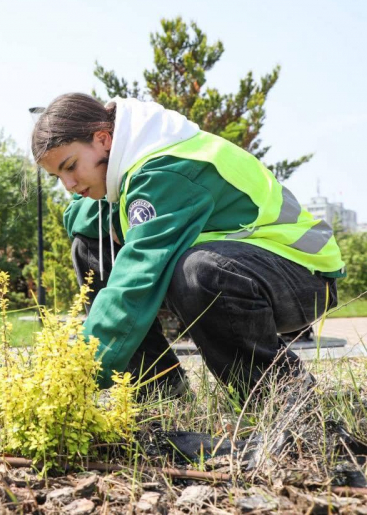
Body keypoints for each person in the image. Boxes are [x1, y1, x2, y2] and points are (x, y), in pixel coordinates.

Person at [32, 93, 344, 400]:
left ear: (103, 139)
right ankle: (160, 389)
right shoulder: (130, 162)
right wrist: (110, 220)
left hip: (303, 274)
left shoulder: (166, 169)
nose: (69, 185)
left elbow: (135, 281)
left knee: (200, 271)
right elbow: (79, 216)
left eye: (70, 166)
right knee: (90, 244)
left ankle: (280, 393)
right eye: (57, 176)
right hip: (244, 269)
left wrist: (82, 370)